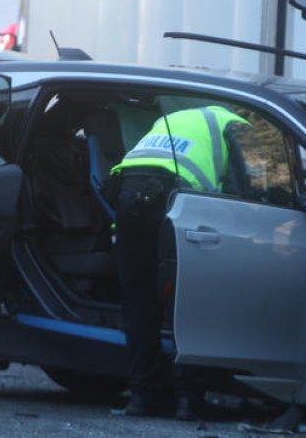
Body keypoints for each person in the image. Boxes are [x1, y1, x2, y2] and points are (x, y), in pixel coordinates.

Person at [105, 105, 249, 421]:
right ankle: (189, 399)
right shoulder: (238, 124)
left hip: (127, 190)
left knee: (139, 300)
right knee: (189, 299)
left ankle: (143, 397)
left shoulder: (172, 118)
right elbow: (245, 192)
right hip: (172, 195)